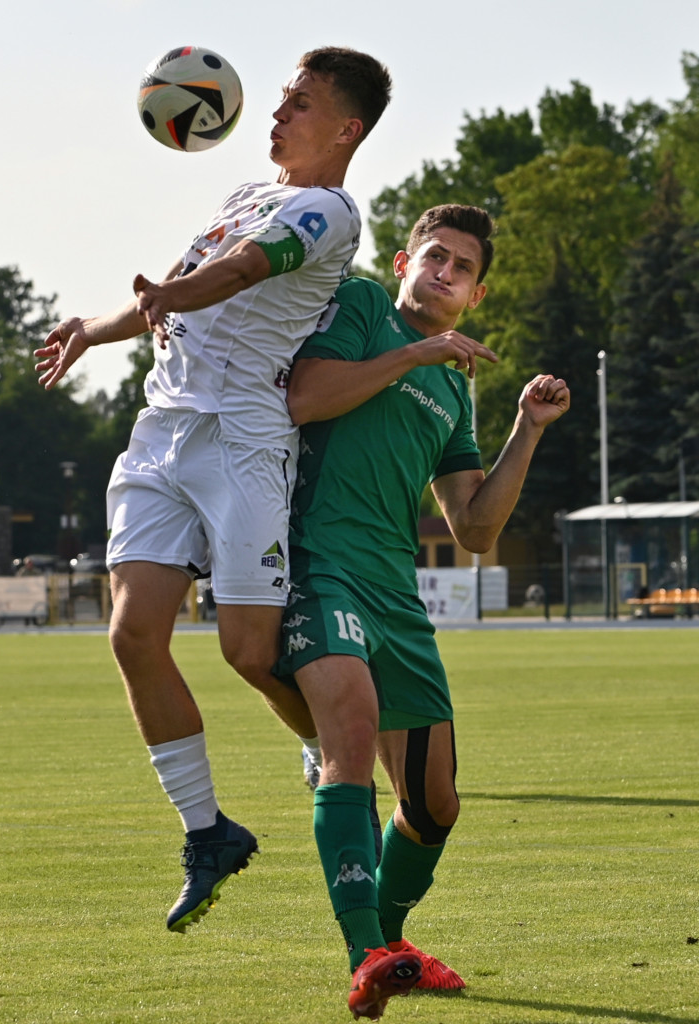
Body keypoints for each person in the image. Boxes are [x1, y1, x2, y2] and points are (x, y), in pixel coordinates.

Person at [33, 47, 392, 933]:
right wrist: (92, 328)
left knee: (249, 653)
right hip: (161, 434)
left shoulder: (329, 212)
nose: (276, 114)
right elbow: (172, 291)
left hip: (244, 444)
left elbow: (233, 274)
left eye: (299, 103)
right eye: (280, 99)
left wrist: (172, 292)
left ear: (345, 129)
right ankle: (209, 833)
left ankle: (322, 746)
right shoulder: (244, 194)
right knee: (132, 634)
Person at [275, 203, 570, 1020]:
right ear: (405, 263)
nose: (445, 272)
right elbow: (305, 397)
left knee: (435, 804)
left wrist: (527, 428)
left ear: (476, 296)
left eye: (462, 268)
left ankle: (392, 944)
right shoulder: (366, 308)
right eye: (434, 256)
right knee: (350, 741)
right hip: (319, 563)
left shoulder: (452, 386)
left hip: (395, 595)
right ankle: (365, 954)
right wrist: (415, 352)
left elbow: (474, 528)